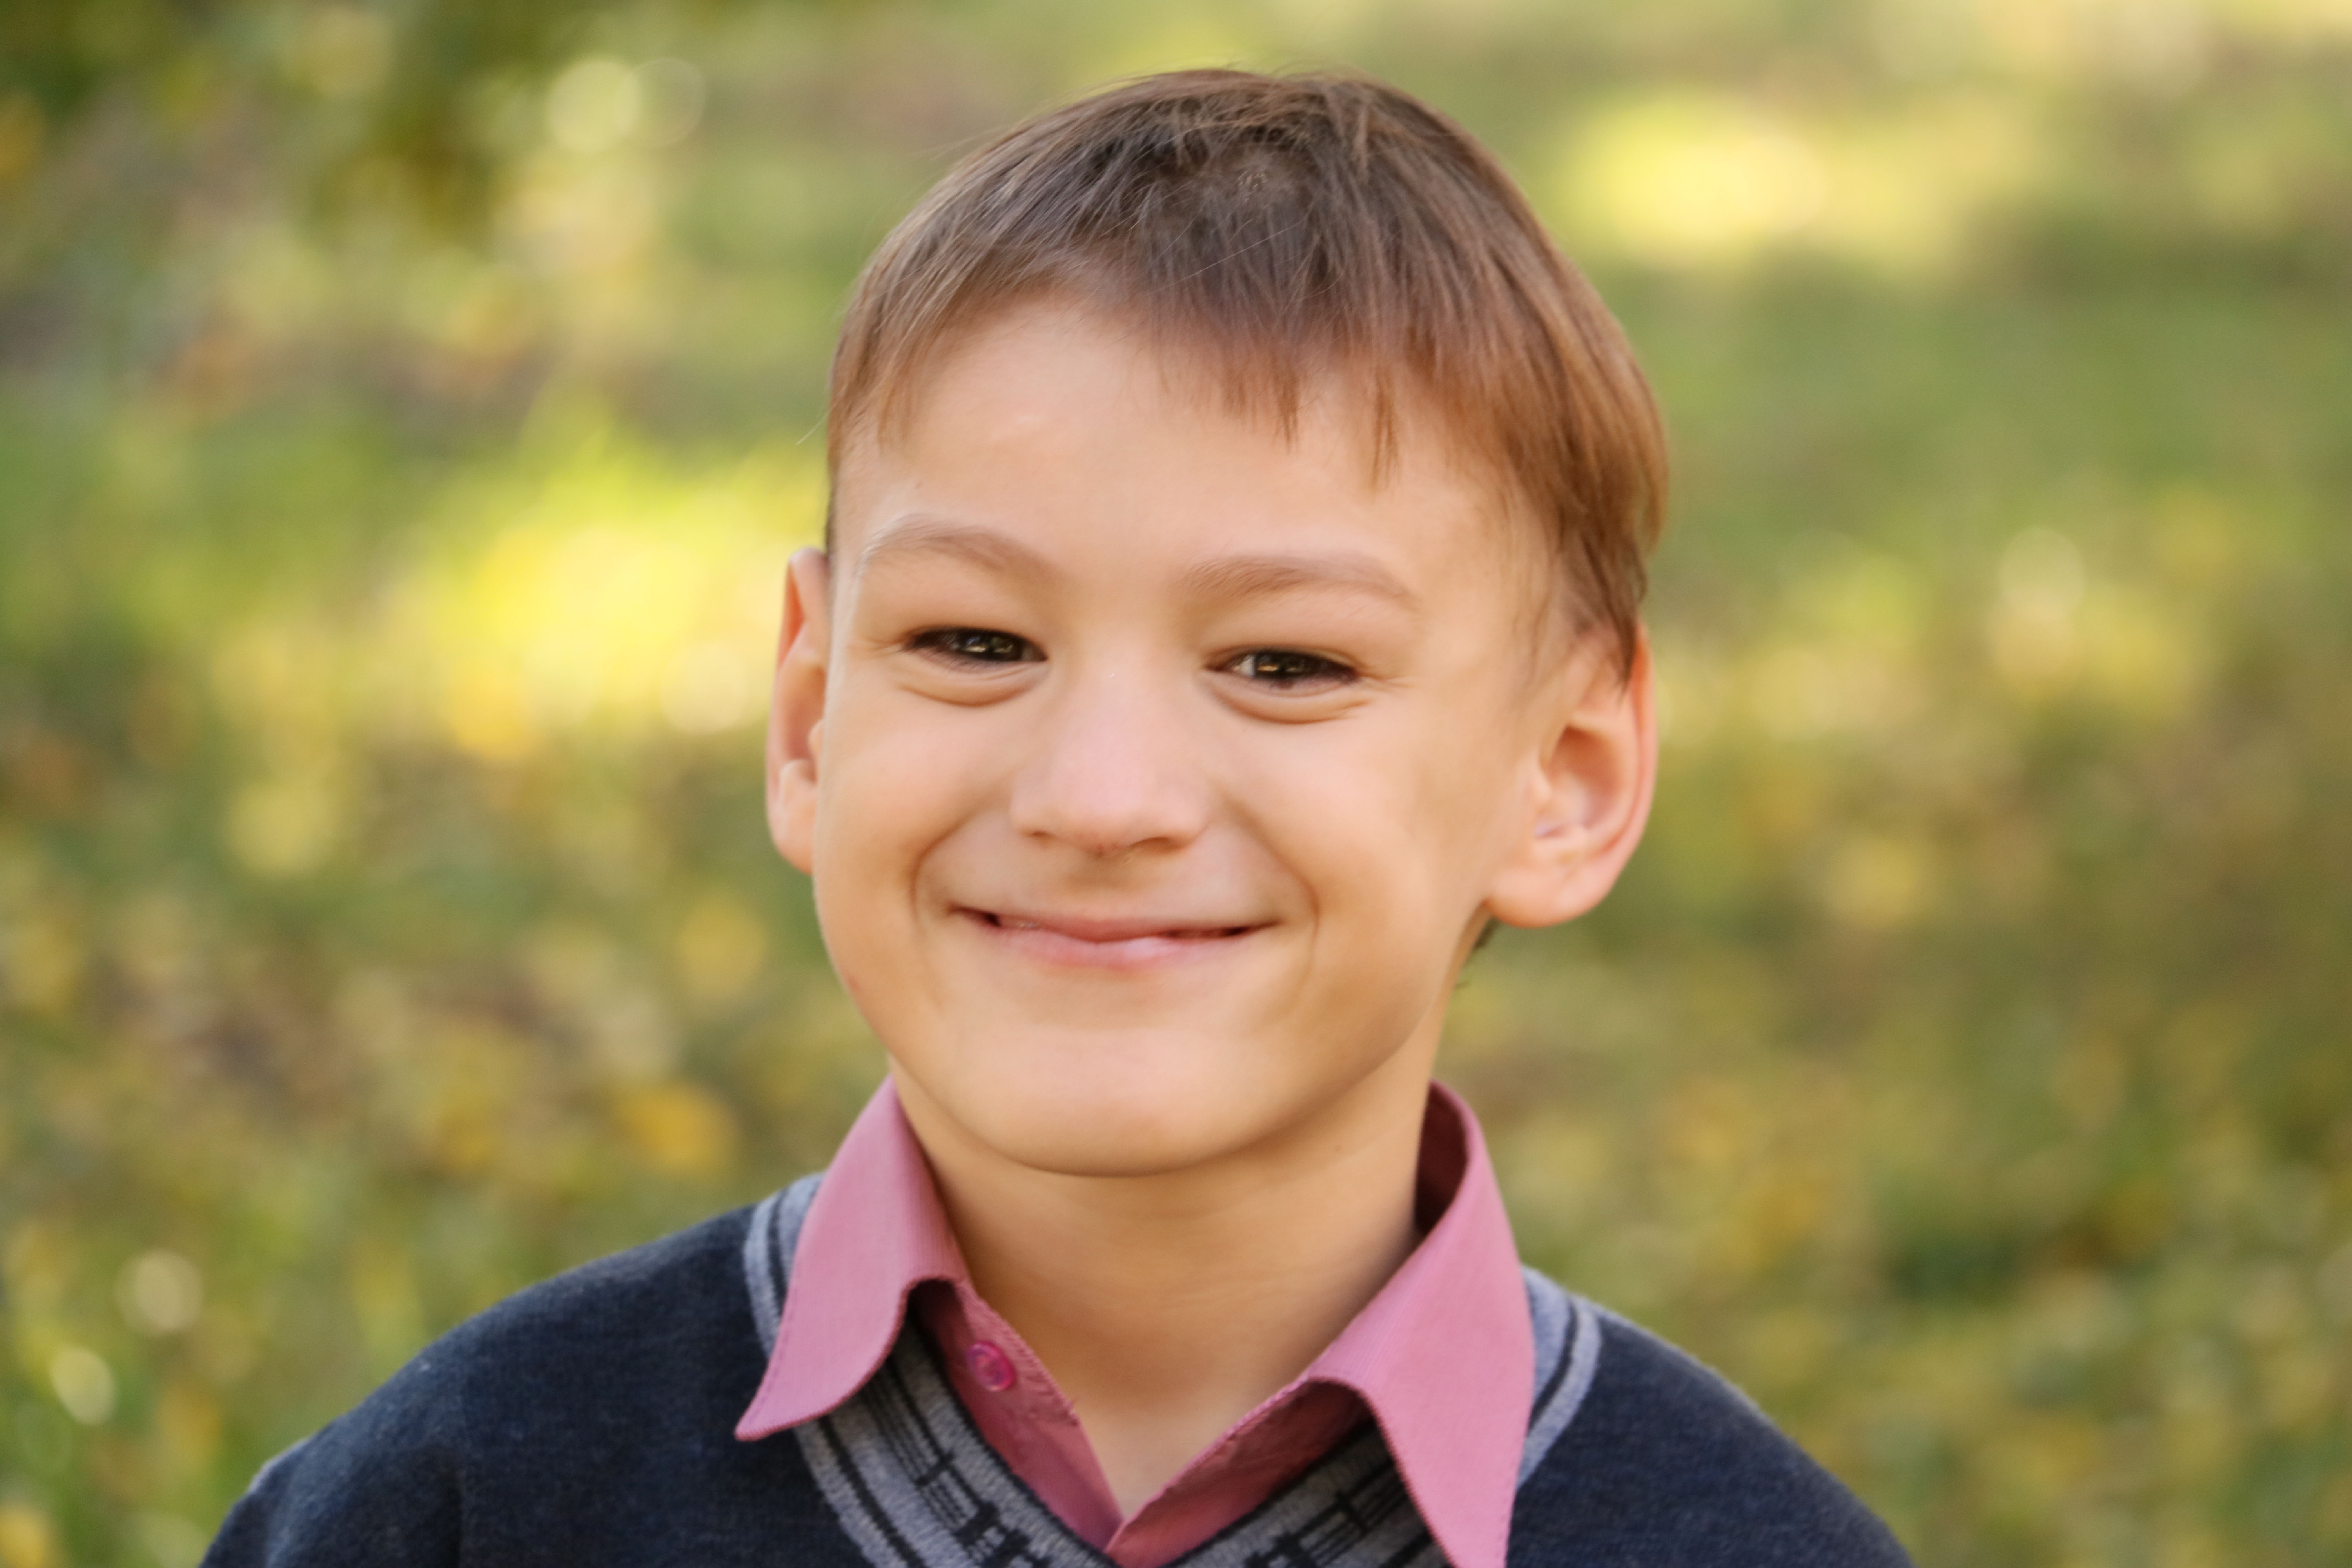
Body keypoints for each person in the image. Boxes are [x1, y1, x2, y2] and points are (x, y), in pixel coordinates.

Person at [203, 69, 1910, 1567]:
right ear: (809, 717)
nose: (1099, 799)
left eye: (1286, 663)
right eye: (974, 642)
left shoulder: (1757, 1547)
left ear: (1567, 780)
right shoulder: (467, 1503)